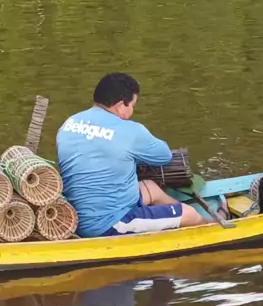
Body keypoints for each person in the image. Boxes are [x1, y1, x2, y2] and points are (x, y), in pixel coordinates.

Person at [56, 73, 208, 238]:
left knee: (150, 187)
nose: (132, 111)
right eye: (132, 105)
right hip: (108, 223)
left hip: (74, 218)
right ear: (121, 105)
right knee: (190, 214)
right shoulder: (131, 131)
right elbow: (164, 155)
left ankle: (176, 218)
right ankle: (208, 228)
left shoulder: (69, 124)